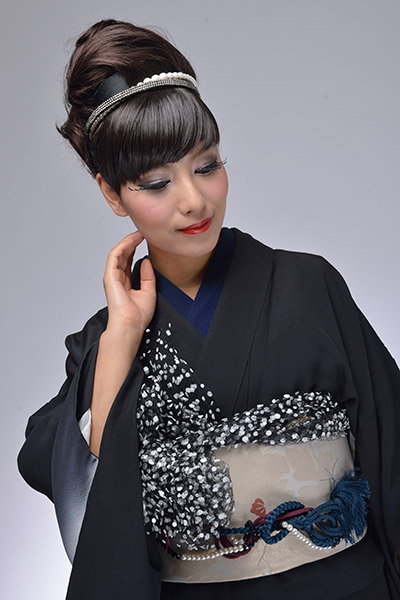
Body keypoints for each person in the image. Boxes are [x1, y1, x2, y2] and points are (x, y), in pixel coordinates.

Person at [18, 18, 400, 600]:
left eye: (207, 166)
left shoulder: (309, 285)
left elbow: (392, 447)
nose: (194, 200)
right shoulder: (105, 342)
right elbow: (71, 483)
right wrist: (122, 337)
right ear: (111, 193)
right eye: (155, 183)